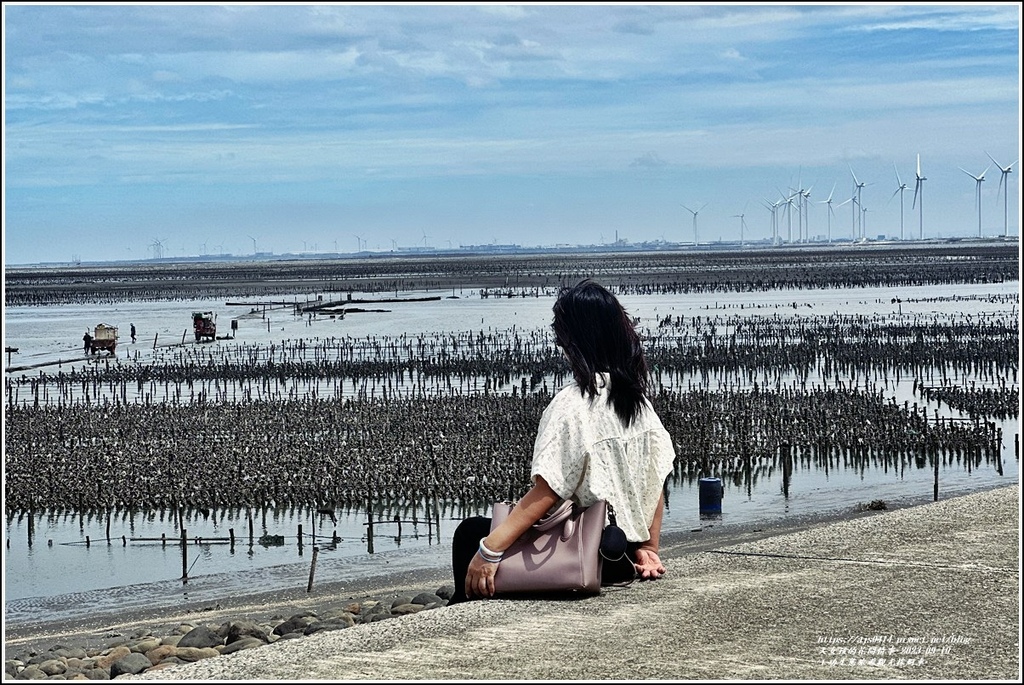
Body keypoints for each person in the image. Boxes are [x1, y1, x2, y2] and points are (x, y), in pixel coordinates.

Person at [448, 279, 676, 604]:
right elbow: (656, 483)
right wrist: (648, 549)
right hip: (620, 557)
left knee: (471, 532)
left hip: (585, 556)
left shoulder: (571, 404)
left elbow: (548, 492)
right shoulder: (638, 403)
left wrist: (490, 550)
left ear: (574, 340)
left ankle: (465, 612)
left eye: (561, 337)